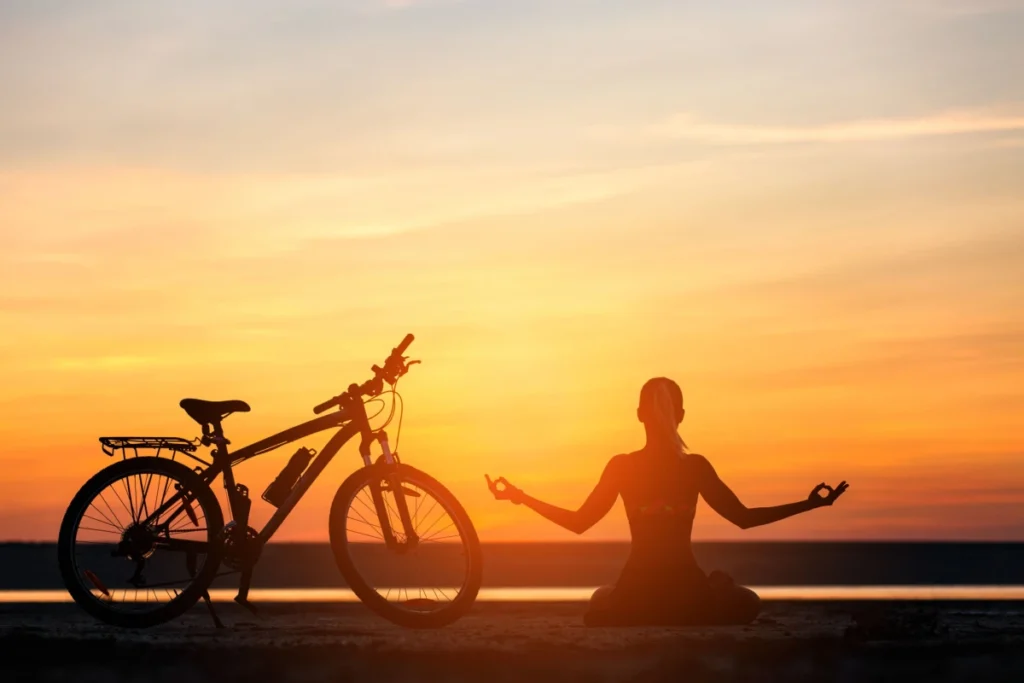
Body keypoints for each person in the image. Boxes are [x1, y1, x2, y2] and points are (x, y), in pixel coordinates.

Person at [485, 377, 849, 626]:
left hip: (635, 590)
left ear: (640, 414)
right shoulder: (694, 466)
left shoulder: (623, 465)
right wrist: (810, 504)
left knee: (601, 597)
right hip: (687, 590)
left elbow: (579, 522)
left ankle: (639, 610)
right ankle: (696, 601)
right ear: (682, 416)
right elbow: (744, 518)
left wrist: (520, 497)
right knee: (747, 600)